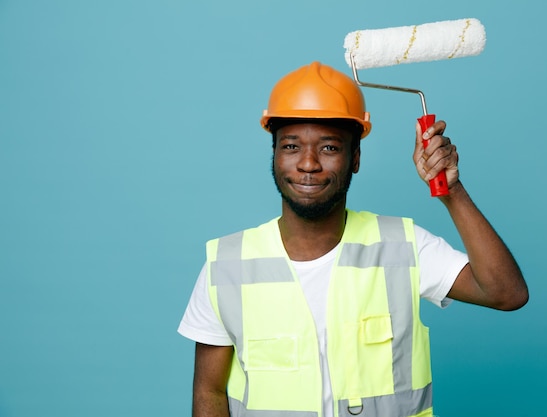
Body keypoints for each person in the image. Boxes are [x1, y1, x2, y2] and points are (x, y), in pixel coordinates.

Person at [178, 61, 528, 417]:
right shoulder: (226, 266)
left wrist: (451, 190)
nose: (308, 164)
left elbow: (506, 293)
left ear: (355, 157)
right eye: (291, 147)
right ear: (275, 155)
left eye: (329, 148)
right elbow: (209, 391)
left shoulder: (403, 247)